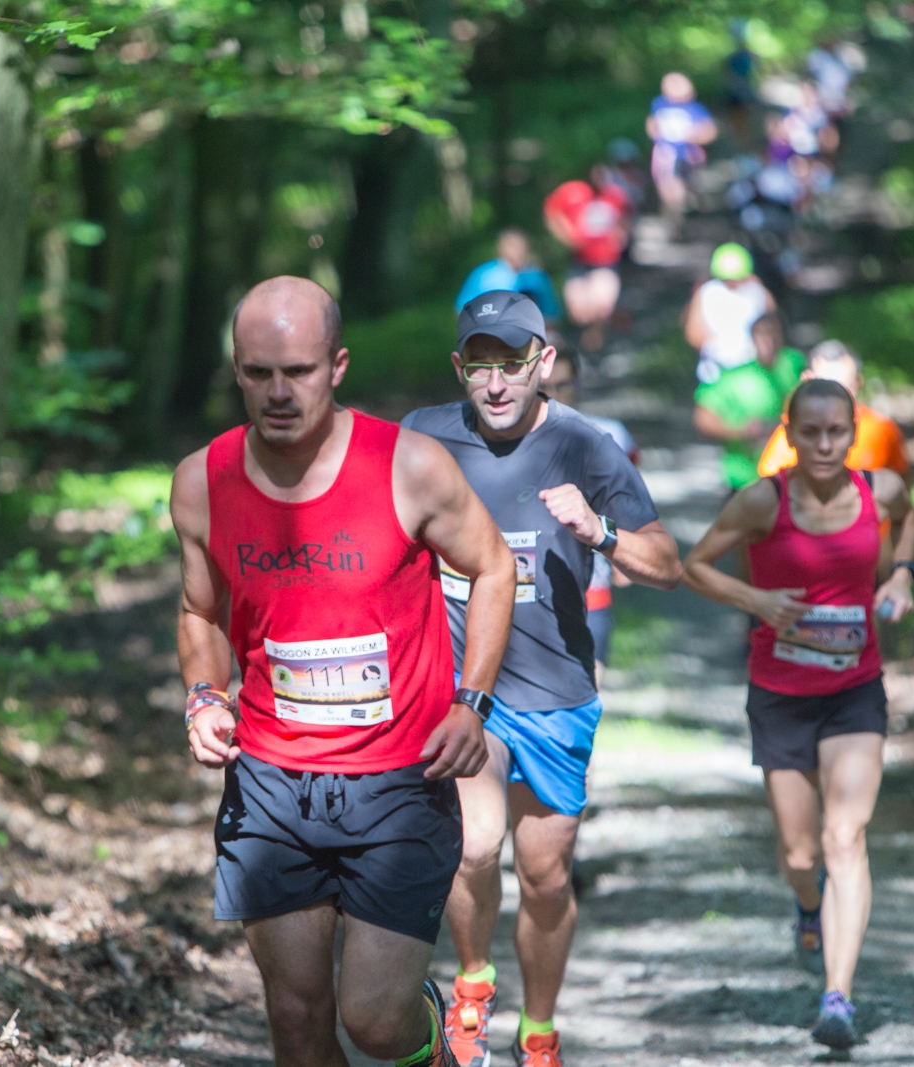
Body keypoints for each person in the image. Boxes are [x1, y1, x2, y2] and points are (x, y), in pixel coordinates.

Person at [172, 276, 518, 1067]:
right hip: (270, 784)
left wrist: (473, 701)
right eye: (258, 373)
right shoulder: (203, 483)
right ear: (236, 370)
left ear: (337, 365)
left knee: (373, 1020)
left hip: (398, 781)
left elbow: (494, 566)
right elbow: (199, 611)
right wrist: (202, 695)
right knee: (296, 1019)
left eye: (297, 370)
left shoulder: (411, 468)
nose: (278, 392)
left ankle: (429, 1046)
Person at [403, 292, 683, 1067]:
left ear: (544, 364)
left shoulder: (587, 447)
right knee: (472, 844)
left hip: (558, 695)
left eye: (512, 363)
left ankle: (541, 1030)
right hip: (465, 696)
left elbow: (668, 566)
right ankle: (471, 986)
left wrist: (603, 531)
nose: (496, 384)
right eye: (481, 364)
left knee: (548, 878)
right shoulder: (422, 439)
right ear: (461, 368)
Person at [682, 377, 914, 1051]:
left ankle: (837, 994)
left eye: (836, 431)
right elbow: (695, 565)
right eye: (808, 431)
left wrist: (902, 574)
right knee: (800, 850)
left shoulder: (881, 489)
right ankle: (808, 904)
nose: (823, 444)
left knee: (846, 836)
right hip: (781, 693)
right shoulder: (764, 498)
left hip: (854, 690)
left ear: (853, 431)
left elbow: (908, 519)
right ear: (788, 432)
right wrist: (755, 600)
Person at [544, 348, 640, 684]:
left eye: (563, 385)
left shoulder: (607, 435)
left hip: (591, 584)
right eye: (546, 387)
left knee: (589, 682)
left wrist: (624, 552)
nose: (554, 396)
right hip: (531, 588)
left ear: (578, 383)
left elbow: (629, 502)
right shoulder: (509, 443)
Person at [757, 341, 909, 481]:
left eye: (843, 387)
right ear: (806, 380)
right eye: (822, 388)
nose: (825, 446)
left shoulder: (882, 429)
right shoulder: (789, 436)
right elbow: (770, 489)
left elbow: (902, 482)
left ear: (857, 382)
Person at [694, 313, 806, 491]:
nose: (767, 340)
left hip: (791, 476)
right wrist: (741, 431)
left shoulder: (796, 365)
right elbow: (703, 417)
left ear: (781, 336)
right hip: (745, 478)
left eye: (772, 333)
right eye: (761, 334)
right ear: (752, 338)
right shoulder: (734, 376)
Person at [543, 173, 630, 353]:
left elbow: (625, 218)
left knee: (602, 305)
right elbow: (551, 211)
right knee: (579, 312)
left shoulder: (614, 196)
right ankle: (585, 340)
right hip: (580, 261)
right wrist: (565, 235)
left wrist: (620, 234)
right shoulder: (574, 192)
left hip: (606, 261)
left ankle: (595, 340)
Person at [683, 243, 776, 384]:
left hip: (752, 368)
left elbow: (773, 328)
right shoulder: (706, 293)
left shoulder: (759, 292)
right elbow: (694, 334)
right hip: (716, 368)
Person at [646, 72, 717, 227]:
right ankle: (674, 219)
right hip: (667, 154)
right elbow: (651, 125)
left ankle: (687, 212)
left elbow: (710, 130)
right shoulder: (659, 105)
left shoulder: (695, 108)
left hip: (688, 154)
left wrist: (696, 136)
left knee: (688, 186)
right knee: (669, 186)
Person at [456, 228, 562, 322]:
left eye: (520, 246)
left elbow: (551, 315)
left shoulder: (537, 277)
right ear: (501, 248)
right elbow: (462, 311)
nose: (517, 251)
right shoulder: (483, 276)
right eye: (512, 246)